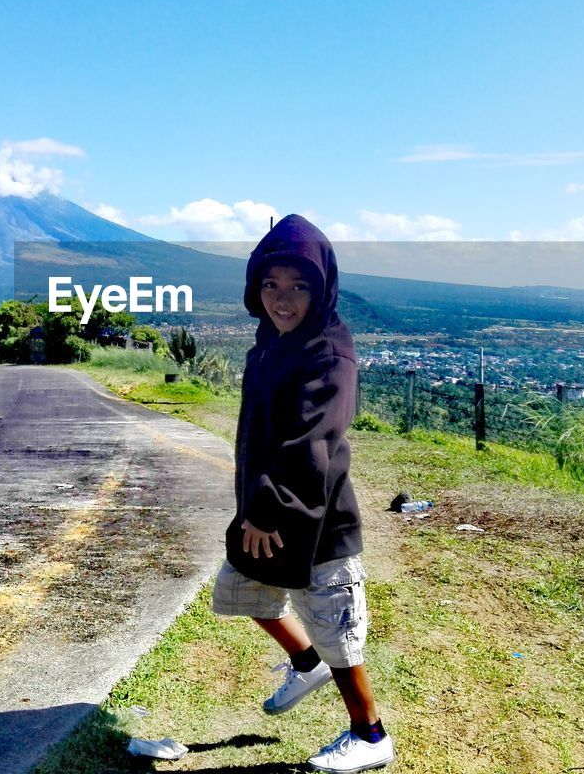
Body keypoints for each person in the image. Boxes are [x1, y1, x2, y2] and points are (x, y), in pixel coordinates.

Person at [212, 214, 393, 772]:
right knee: (240, 592)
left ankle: (369, 735)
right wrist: (253, 508)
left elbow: (312, 440)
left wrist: (267, 509)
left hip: (314, 519)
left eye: (298, 286)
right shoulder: (271, 342)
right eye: (270, 285)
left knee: (336, 627)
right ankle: (303, 662)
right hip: (261, 511)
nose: (282, 299)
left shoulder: (328, 351)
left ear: (323, 288)